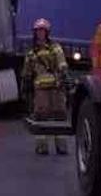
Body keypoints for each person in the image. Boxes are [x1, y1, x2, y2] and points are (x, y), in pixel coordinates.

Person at [22, 18, 71, 155]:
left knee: (59, 115)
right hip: (41, 89)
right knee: (41, 116)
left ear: (47, 32)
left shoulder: (55, 48)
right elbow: (27, 71)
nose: (40, 33)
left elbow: (62, 64)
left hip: (56, 87)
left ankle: (61, 147)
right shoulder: (31, 52)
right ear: (35, 33)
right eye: (38, 31)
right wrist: (25, 86)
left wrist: (65, 78)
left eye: (42, 31)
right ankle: (42, 147)